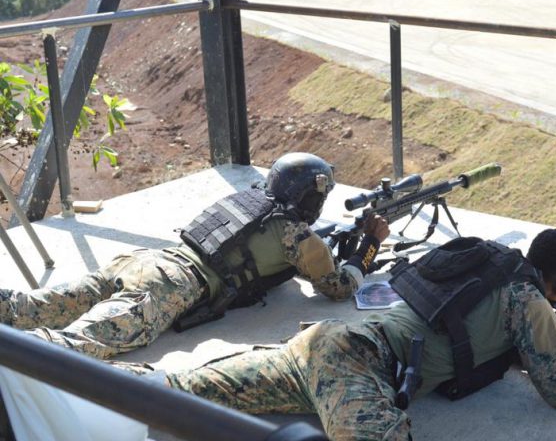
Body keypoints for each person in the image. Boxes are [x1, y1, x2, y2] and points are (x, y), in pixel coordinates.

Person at [156, 228, 556, 441]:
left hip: (327, 339)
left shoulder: (489, 261)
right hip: (361, 368)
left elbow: (470, 327)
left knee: (178, 391)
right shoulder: (531, 303)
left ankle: (94, 392)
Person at [0, 152, 389, 360]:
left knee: (28, 306)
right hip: (169, 286)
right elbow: (337, 287)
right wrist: (366, 249)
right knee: (73, 347)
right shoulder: (300, 237)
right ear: (311, 197)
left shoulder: (249, 201)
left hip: (145, 261)